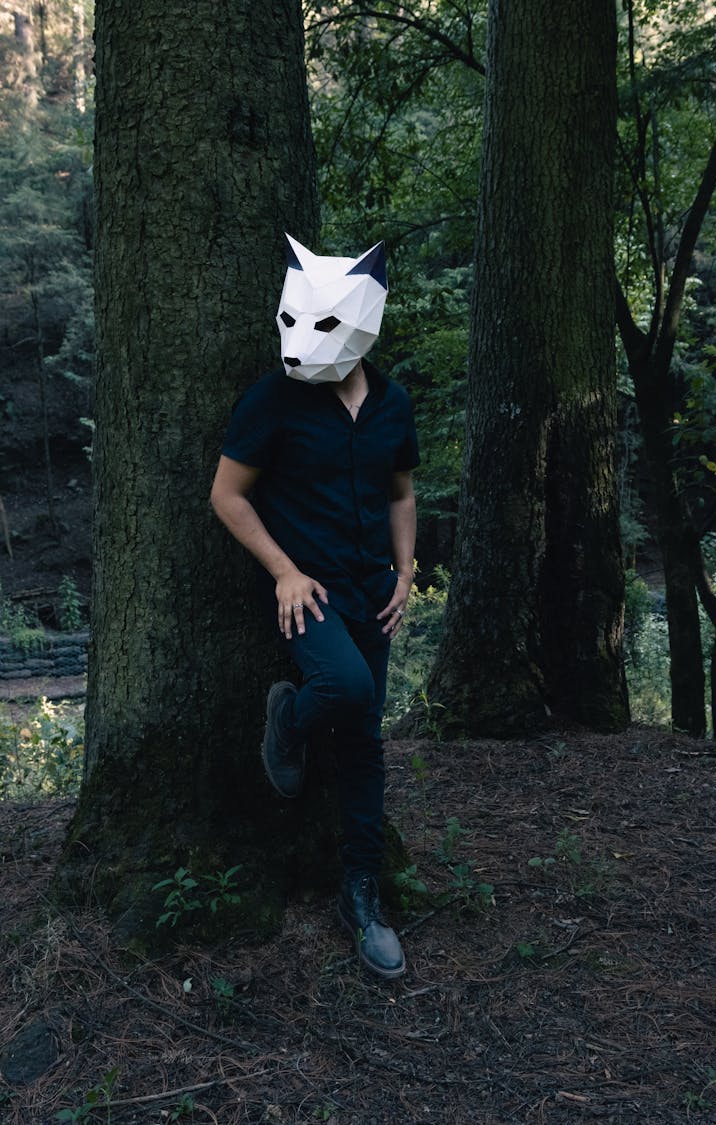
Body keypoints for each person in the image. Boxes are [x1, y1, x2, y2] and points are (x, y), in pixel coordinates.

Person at [210, 235, 418, 979]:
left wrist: (406, 568)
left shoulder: (392, 402)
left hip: (374, 593)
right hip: (313, 593)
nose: (303, 344)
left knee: (364, 742)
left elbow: (401, 490)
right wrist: (283, 572)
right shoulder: (272, 400)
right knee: (348, 690)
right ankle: (287, 716)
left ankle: (361, 896)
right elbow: (226, 495)